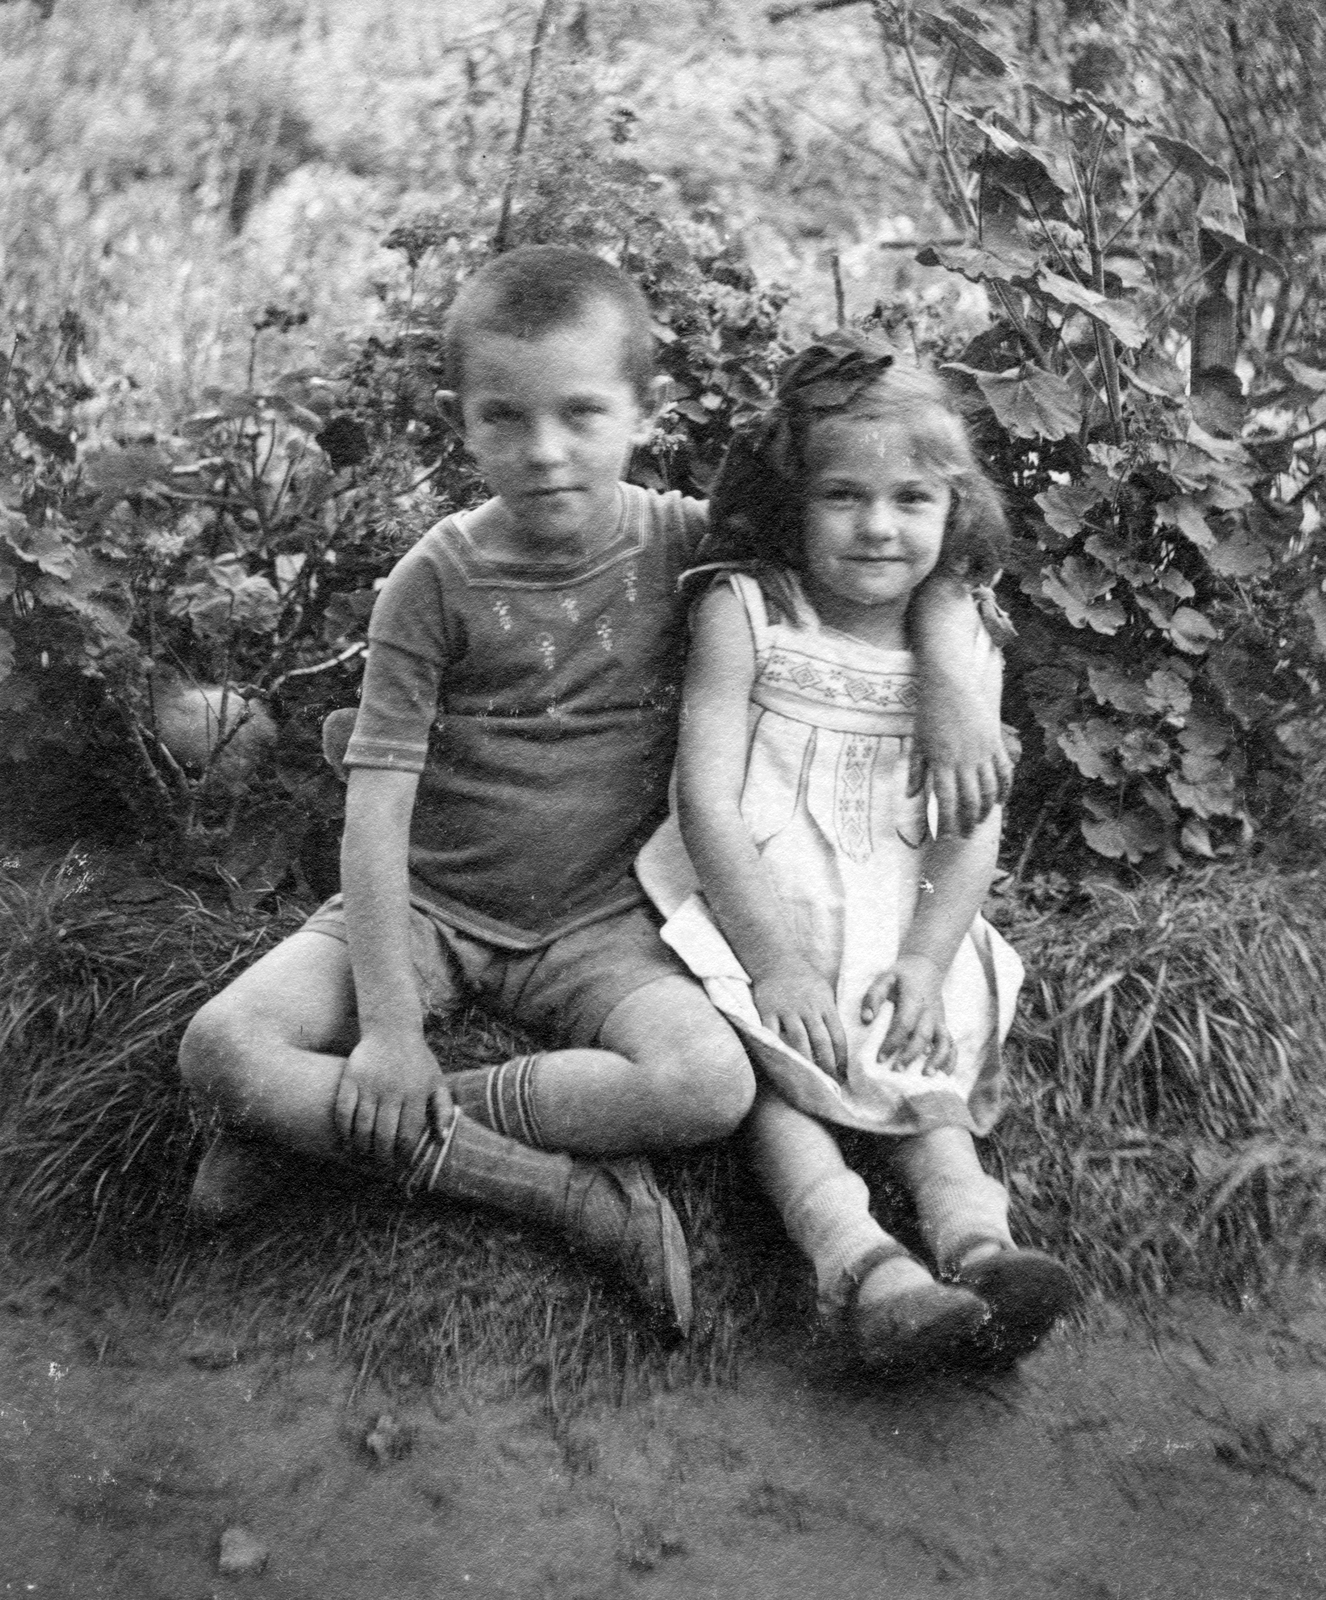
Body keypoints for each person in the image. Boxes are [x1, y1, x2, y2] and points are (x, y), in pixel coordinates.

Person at [178, 249, 1009, 1341]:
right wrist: (386, 1031)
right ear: (460, 420)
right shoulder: (431, 582)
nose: (547, 451)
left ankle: (316, 1126)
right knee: (221, 1046)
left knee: (709, 1085)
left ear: (643, 410)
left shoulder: (684, 542)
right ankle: (561, 1191)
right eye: (505, 418)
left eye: (581, 412)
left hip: (608, 922)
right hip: (433, 900)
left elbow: (896, 543)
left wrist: (952, 675)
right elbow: (374, 816)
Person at [636, 334, 1077, 1373]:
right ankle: (863, 1264)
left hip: (894, 901)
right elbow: (704, 795)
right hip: (760, 897)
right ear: (793, 499)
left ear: (953, 508)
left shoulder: (962, 645)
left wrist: (927, 957)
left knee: (923, 1061)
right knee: (781, 1077)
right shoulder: (744, 609)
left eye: (913, 500)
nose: (879, 527)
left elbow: (974, 826)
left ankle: (980, 1242)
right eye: (844, 496)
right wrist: (775, 960)